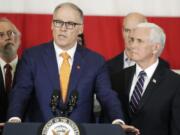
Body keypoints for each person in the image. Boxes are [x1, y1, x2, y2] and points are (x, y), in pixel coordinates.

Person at [7, 2, 139, 134]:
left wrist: (118, 121)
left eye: (70, 24)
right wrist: (13, 119)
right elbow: (21, 91)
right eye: (58, 22)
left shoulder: (95, 61)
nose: (63, 28)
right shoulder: (32, 56)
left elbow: (107, 95)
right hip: (39, 130)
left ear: (80, 29)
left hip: (81, 130)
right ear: (52, 25)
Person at [111, 22, 180, 135]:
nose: (132, 45)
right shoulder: (117, 77)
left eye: (139, 41)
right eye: (132, 40)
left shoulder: (175, 83)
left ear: (155, 48)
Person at [0, 18, 20, 122]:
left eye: (11, 33)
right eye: (1, 35)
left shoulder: (32, 68)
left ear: (18, 38)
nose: (8, 38)